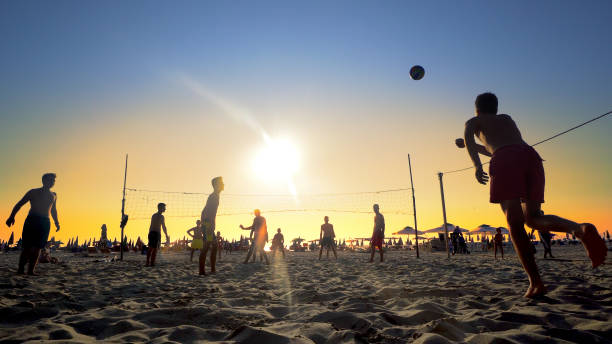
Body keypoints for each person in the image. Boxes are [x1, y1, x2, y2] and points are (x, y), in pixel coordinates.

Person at [458, 92, 607, 297]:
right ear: (495, 107)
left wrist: (476, 165)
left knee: (515, 224)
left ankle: (536, 283)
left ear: (476, 108)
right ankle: (579, 229)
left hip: (506, 160)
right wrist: (471, 145)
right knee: (533, 218)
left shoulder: (473, 121)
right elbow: (498, 146)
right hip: (530, 156)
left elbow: (490, 149)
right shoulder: (506, 119)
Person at [5, 173, 60, 275]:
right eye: (50, 180)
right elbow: (19, 204)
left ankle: (31, 270)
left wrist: (57, 222)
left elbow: (53, 210)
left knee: (38, 247)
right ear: (43, 181)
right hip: (32, 220)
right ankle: (20, 270)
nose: (52, 182)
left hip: (45, 222)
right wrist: (11, 216)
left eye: (53, 180)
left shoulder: (54, 195)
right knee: (27, 246)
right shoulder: (33, 192)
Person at [199, 176, 224, 275]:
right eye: (221, 182)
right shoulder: (213, 196)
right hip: (207, 225)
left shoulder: (216, 196)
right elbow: (206, 211)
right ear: (216, 185)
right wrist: (207, 225)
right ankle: (202, 271)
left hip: (208, 224)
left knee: (214, 246)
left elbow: (205, 211)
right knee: (206, 247)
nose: (223, 184)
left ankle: (212, 269)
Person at [146, 203, 169, 267]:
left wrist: (149, 233)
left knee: (151, 249)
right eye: (164, 208)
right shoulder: (161, 216)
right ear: (160, 208)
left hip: (152, 232)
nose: (165, 209)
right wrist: (166, 235)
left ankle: (148, 262)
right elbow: (163, 226)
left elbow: (152, 225)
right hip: (156, 233)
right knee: (154, 249)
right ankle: (151, 263)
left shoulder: (154, 215)